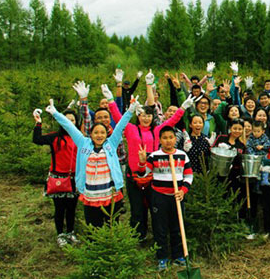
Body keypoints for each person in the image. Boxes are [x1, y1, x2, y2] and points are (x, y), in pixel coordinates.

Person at [105, 81, 195, 241]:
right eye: (143, 115)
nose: (146, 118)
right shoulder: (130, 128)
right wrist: (111, 101)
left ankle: (157, 236)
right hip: (134, 175)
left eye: (149, 115)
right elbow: (118, 117)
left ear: (153, 117)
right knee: (137, 208)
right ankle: (138, 237)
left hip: (153, 175)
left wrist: (183, 107)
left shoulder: (157, 130)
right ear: (138, 116)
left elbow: (172, 121)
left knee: (154, 208)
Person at [45, 95, 138, 227]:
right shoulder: (83, 143)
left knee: (112, 224)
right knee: (93, 225)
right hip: (91, 194)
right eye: (96, 133)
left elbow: (121, 124)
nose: (99, 135)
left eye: (102, 133)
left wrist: (130, 111)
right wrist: (55, 113)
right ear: (91, 134)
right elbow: (69, 127)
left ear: (106, 134)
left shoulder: (111, 143)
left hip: (110, 193)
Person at [137, 126, 193, 271]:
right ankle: (162, 257)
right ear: (160, 140)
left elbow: (188, 176)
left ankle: (179, 255)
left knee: (177, 225)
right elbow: (143, 175)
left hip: (177, 196)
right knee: (160, 227)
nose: (168, 141)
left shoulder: (182, 155)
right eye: (165, 138)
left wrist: (183, 191)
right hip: (159, 196)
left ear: (175, 139)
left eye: (171, 138)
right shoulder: (154, 156)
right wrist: (142, 162)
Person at [32, 107, 80, 247]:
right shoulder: (55, 137)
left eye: (72, 120)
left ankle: (70, 232)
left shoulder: (79, 137)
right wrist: (38, 123)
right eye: (66, 119)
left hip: (74, 179)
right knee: (59, 208)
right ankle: (60, 234)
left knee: (72, 208)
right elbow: (37, 139)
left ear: (77, 122)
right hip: (58, 178)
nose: (69, 122)